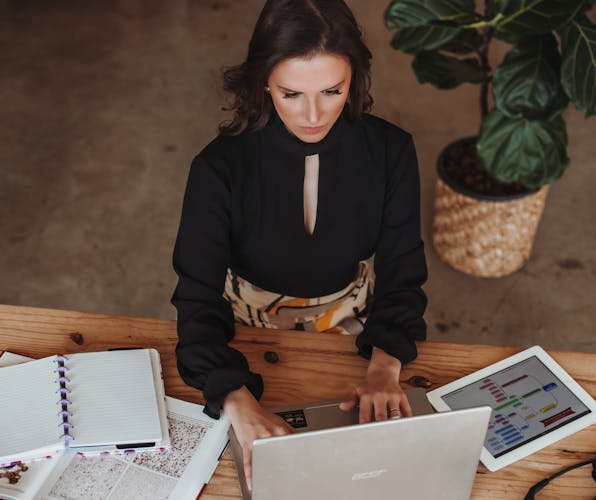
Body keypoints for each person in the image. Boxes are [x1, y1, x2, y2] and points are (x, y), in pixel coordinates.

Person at [171, 0, 427, 489]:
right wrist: (236, 400)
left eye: (333, 90)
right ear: (263, 82)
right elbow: (196, 299)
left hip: (356, 321)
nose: (314, 115)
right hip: (244, 327)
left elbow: (403, 269)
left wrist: (386, 361)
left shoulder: (391, 151)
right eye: (292, 93)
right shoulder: (218, 168)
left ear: (355, 79)